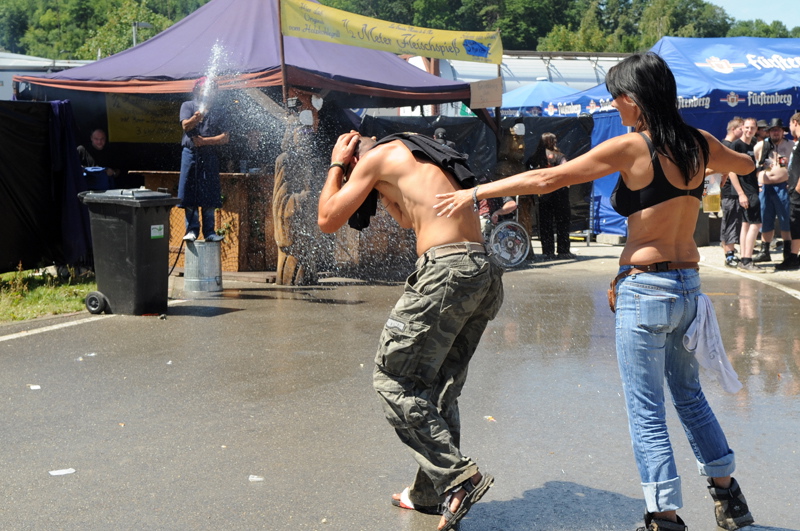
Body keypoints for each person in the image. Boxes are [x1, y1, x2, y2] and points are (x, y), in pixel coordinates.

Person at [433, 52, 755, 531]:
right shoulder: (699, 143)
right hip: (688, 288)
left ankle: (664, 515)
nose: (615, 107)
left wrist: (475, 193)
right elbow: (746, 164)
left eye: (616, 99)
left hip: (645, 290)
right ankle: (729, 498)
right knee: (689, 397)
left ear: (635, 100)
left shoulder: (633, 147)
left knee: (647, 408)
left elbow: (549, 178)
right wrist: (727, 153)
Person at [317, 131, 503, 531]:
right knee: (436, 386)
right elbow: (406, 217)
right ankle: (430, 493)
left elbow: (327, 219)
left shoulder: (373, 158)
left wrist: (336, 164)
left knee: (392, 380)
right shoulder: (418, 149)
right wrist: (384, 193)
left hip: (447, 272)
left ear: (355, 159)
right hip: (482, 272)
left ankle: (457, 477)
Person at [178, 76, 229, 242]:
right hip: (190, 154)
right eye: (206, 88)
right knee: (189, 190)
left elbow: (225, 138)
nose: (209, 91)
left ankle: (209, 232)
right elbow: (186, 125)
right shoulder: (188, 106)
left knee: (209, 192)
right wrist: (196, 118)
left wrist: (205, 142)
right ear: (198, 89)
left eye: (212, 89)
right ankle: (192, 230)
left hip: (209, 155)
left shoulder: (220, 110)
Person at [525, 133, 574, 260]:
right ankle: (563, 251)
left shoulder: (534, 158)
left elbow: (529, 175)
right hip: (560, 194)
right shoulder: (560, 157)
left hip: (543, 195)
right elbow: (566, 170)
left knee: (545, 224)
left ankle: (548, 251)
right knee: (562, 223)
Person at [754, 117, 793, 264]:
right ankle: (765, 251)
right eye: (773, 130)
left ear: (783, 131)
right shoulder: (760, 146)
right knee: (766, 219)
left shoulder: (791, 145)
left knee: (785, 219)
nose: (775, 133)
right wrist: (758, 181)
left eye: (778, 130)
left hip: (783, 186)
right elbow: (756, 166)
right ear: (768, 132)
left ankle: (788, 252)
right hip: (765, 188)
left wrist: (794, 182)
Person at [732, 118, 765, 272]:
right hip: (746, 191)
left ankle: (744, 260)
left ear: (756, 129)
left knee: (746, 224)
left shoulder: (753, 145)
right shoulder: (737, 145)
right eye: (746, 127)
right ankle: (747, 260)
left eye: (752, 128)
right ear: (742, 128)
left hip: (753, 187)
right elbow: (731, 170)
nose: (749, 130)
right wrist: (741, 193)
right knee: (756, 224)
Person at [719, 117, 744, 267]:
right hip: (730, 191)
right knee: (731, 223)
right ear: (734, 129)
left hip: (728, 191)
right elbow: (731, 170)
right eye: (741, 128)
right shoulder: (727, 146)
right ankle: (730, 255)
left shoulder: (724, 145)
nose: (744, 132)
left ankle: (728, 253)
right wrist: (741, 192)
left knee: (728, 222)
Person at [777, 112, 800, 270]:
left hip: (797, 191)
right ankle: (793, 256)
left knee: (795, 224)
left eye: (790, 125)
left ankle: (793, 257)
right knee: (795, 223)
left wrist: (797, 188)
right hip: (793, 188)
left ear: (795, 122)